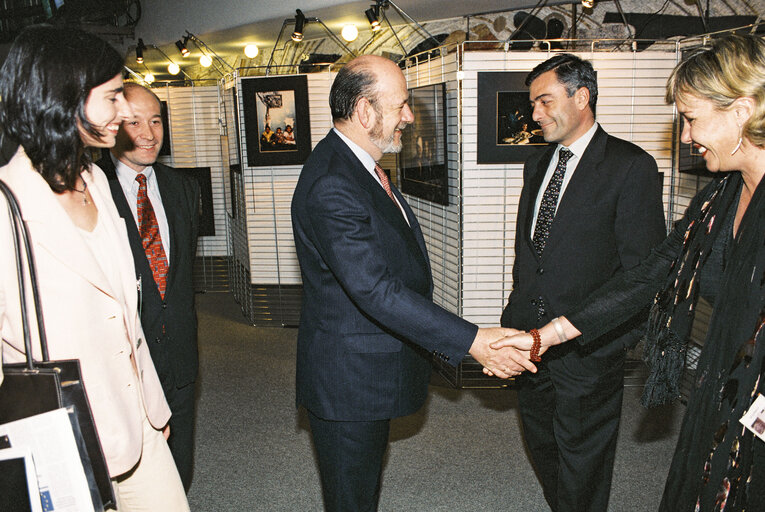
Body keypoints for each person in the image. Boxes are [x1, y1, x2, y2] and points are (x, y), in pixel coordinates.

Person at [493, 34, 765, 511]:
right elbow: (656, 272)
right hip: (726, 391)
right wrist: (548, 334)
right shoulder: (718, 198)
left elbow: (638, 266)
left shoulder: (630, 167)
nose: (684, 137)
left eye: (691, 118)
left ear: (742, 110)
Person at [291, 54, 534, 512]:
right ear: (365, 112)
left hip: (366, 374)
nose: (408, 116)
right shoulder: (333, 183)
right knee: (351, 499)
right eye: (401, 105)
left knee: (362, 491)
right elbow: (376, 290)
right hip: (348, 384)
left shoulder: (357, 166)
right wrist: (474, 341)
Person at [0, 26, 189, 511]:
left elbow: (127, 318)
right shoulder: (5, 206)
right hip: (56, 433)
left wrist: (153, 405)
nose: (127, 113)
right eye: (112, 97)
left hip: (138, 426)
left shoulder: (96, 183)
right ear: (63, 100)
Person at [497, 54, 666, 512]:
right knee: (544, 446)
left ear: (582, 97)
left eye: (544, 101)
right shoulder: (537, 165)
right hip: (529, 343)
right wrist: (515, 320)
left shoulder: (631, 167)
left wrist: (611, 340)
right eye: (532, 104)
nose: (534, 114)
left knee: (584, 463)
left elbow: (644, 271)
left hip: (588, 347)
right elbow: (531, 254)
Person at [96, 83, 200, 492]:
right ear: (112, 125)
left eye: (156, 120)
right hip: (123, 362)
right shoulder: (90, 191)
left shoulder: (181, 188)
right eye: (135, 121)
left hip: (180, 354)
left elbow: (180, 278)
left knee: (179, 469)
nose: (149, 132)